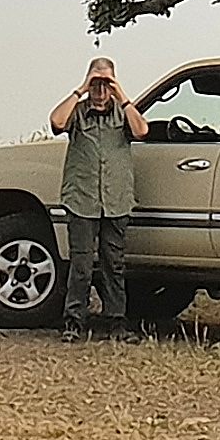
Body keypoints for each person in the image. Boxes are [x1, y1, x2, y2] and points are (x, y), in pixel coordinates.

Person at [43, 55, 145, 337]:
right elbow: (56, 121)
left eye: (105, 83)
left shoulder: (122, 112)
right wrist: (81, 89)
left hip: (116, 201)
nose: (100, 91)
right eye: (96, 83)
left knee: (114, 264)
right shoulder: (77, 111)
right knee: (81, 265)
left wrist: (120, 91)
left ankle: (116, 322)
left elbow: (141, 130)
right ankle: (74, 321)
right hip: (82, 199)